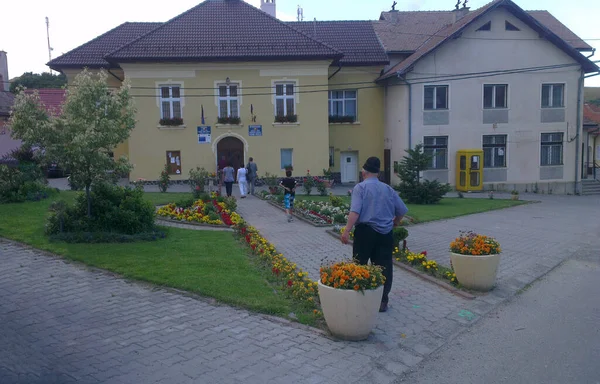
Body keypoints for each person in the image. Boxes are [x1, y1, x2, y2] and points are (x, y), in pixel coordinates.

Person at [340, 156, 408, 313]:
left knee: (360, 264)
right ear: (377, 173)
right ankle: (382, 300)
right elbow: (402, 210)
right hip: (385, 233)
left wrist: (347, 231)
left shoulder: (360, 188)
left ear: (364, 173)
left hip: (365, 232)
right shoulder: (388, 189)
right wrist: (395, 223)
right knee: (384, 266)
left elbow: (355, 212)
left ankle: (360, 296)